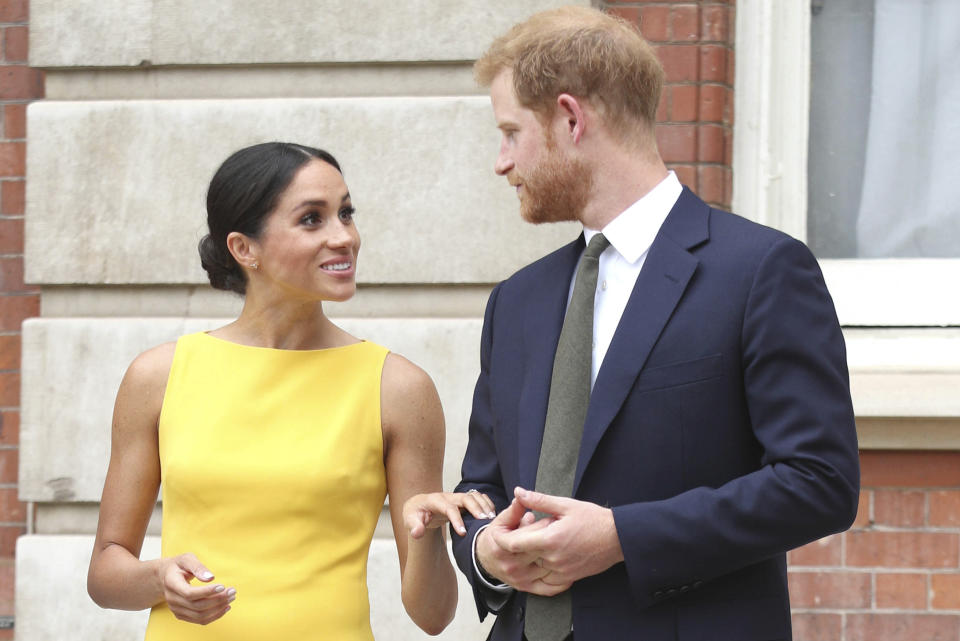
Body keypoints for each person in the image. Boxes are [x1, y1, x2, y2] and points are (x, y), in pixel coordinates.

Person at [451, 7, 860, 641]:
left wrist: (622, 537)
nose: (501, 163)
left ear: (570, 117)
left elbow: (819, 484)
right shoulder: (516, 301)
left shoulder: (760, 271)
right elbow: (479, 488)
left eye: (510, 132)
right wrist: (486, 554)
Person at [86, 142, 496, 640]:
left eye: (346, 213)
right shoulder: (158, 376)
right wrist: (159, 579)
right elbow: (106, 573)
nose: (343, 236)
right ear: (244, 248)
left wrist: (428, 533)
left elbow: (433, 616)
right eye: (312, 219)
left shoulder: (398, 387)